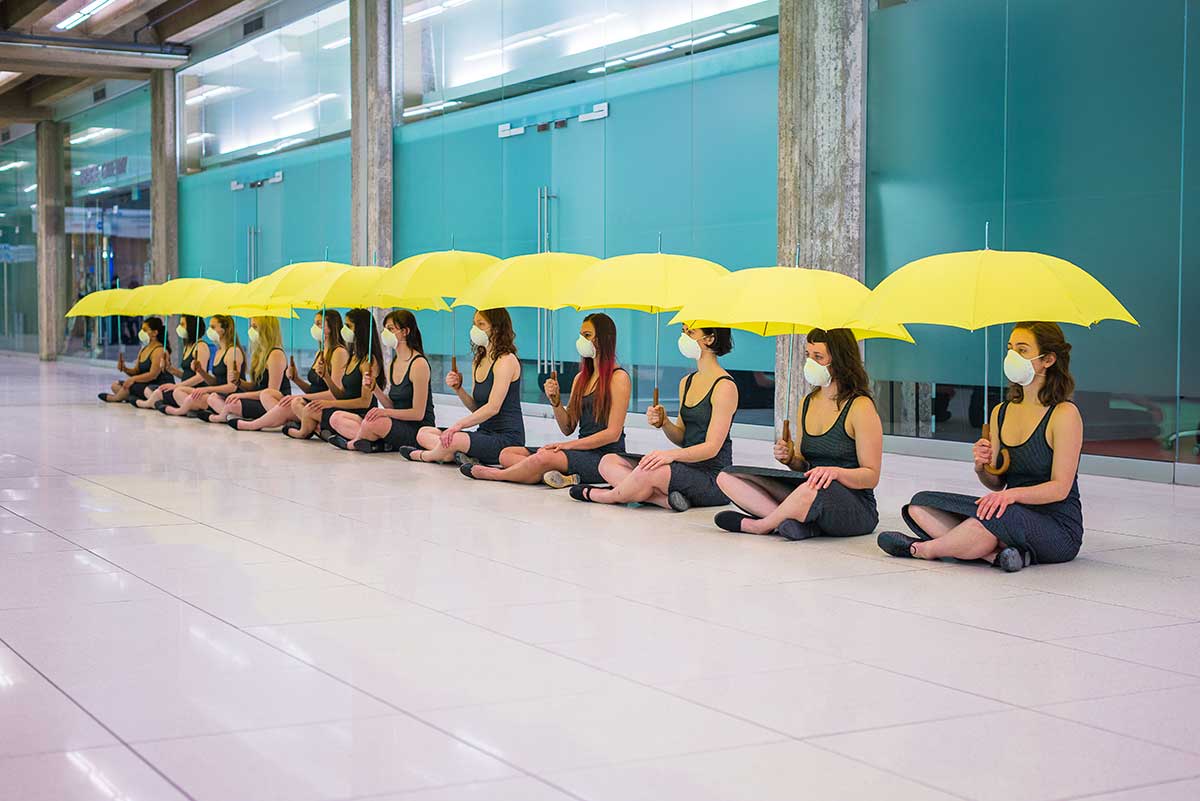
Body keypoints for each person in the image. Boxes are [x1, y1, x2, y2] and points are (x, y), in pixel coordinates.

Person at [877, 321, 1084, 572]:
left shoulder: (1064, 414)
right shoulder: (1001, 412)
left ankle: (923, 549)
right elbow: (996, 483)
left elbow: (1060, 488)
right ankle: (998, 555)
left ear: (1048, 359)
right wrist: (981, 467)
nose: (1012, 357)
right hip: (1007, 511)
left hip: (1056, 528)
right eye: (1010, 349)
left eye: (1022, 350)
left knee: (988, 520)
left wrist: (1011, 495)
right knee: (920, 504)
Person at [713, 328, 882, 540]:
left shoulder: (860, 406)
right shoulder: (807, 403)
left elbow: (871, 476)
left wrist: (836, 472)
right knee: (727, 476)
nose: (810, 362)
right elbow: (804, 466)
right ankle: (795, 523)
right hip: (808, 489)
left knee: (808, 490)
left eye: (818, 357)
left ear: (840, 360)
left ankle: (762, 525)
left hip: (855, 506)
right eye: (808, 355)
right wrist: (791, 459)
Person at [570, 325, 738, 512]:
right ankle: (662, 500)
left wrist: (668, 455)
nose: (683, 337)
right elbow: (682, 438)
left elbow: (711, 448)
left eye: (690, 332)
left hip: (712, 479)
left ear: (709, 339)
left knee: (651, 470)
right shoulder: (687, 382)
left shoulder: (725, 387)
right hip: (684, 468)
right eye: (683, 331)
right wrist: (665, 422)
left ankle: (604, 495)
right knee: (609, 461)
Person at [462, 312, 629, 487]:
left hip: (603, 458)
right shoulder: (580, 379)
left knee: (545, 456)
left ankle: (498, 475)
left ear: (603, 340)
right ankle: (556, 476)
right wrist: (555, 402)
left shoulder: (618, 378)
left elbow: (613, 434)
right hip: (579, 451)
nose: (582, 341)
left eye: (587, 336)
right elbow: (567, 427)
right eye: (581, 335)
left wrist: (569, 446)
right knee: (507, 453)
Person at [400, 308, 523, 464]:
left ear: (497, 328)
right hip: (483, 433)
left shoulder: (506, 360)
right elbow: (476, 409)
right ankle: (453, 454)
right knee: (424, 432)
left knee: (454, 438)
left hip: (506, 439)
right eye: (474, 324)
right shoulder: (479, 360)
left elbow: (493, 407)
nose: (475, 329)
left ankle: (424, 455)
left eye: (481, 324)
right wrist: (458, 389)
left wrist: (457, 425)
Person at [326, 309, 433, 452]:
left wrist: (385, 413)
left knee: (374, 422)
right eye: (384, 329)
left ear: (405, 331)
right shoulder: (394, 363)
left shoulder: (419, 364)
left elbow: (417, 414)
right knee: (336, 417)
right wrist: (375, 388)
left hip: (417, 429)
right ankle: (376, 442)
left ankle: (353, 443)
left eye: (390, 329)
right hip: (396, 423)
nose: (385, 333)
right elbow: (391, 406)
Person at [230, 311, 347, 433]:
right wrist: (296, 379)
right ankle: (298, 422)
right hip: (307, 401)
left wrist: (299, 396)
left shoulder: (339, 352)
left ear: (332, 327)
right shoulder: (320, 352)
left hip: (320, 404)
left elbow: (333, 394)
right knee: (267, 394)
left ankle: (253, 425)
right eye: (314, 323)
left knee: (288, 404)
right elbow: (314, 389)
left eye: (319, 324)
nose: (314, 328)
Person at [293, 307, 384, 440]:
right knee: (309, 409)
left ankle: (307, 432)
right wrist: (327, 378)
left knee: (317, 412)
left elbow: (364, 402)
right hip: (345, 410)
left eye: (348, 326)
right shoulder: (353, 357)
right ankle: (321, 431)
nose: (344, 330)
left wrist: (331, 404)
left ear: (360, 329)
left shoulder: (368, 361)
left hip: (359, 413)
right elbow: (341, 394)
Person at [207, 316, 290, 425]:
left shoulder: (276, 354)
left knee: (233, 404)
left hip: (272, 403)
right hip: (259, 399)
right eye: (251, 326)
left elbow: (270, 392)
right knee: (214, 397)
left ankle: (227, 415)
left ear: (266, 329)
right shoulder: (259, 353)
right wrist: (240, 382)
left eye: (255, 327)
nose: (251, 330)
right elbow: (257, 386)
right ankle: (229, 415)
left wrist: (241, 395)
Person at [163, 315, 244, 418]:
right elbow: (215, 382)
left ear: (224, 330)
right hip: (217, 394)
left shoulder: (233, 351)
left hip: (228, 397)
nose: (209, 330)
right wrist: (201, 371)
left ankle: (227, 415)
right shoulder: (218, 351)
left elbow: (232, 387)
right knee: (179, 391)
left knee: (208, 398)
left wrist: (207, 390)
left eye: (213, 327)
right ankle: (198, 409)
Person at [137, 315, 210, 410]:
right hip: (183, 387)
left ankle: (154, 403)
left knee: (164, 392)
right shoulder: (187, 347)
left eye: (182, 324)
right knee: (153, 390)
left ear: (191, 326)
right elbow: (186, 375)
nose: (179, 327)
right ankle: (157, 403)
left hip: (194, 389)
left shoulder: (201, 347)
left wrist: (177, 385)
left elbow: (200, 377)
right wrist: (169, 368)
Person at [99, 317, 169, 404]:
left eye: (145, 330)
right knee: (115, 385)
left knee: (130, 386)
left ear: (155, 333)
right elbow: (136, 371)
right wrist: (124, 368)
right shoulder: (143, 349)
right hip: (143, 384)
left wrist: (133, 379)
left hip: (155, 384)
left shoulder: (159, 350)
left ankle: (116, 398)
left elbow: (153, 375)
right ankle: (132, 397)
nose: (141, 333)